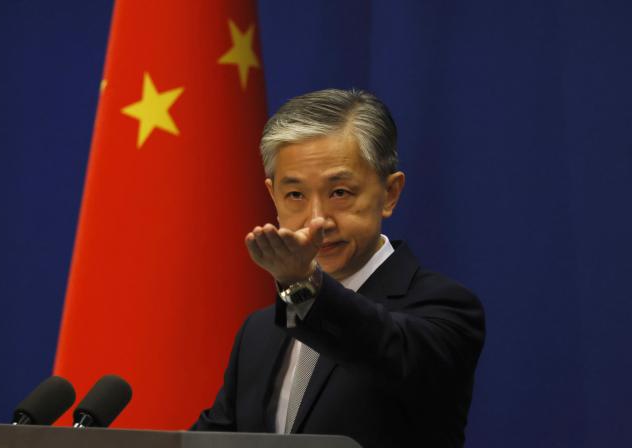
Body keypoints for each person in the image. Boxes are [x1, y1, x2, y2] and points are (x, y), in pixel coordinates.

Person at [192, 89, 485, 448]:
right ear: (273, 198)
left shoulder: (446, 308)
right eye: (296, 195)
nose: (318, 220)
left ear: (390, 193)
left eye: (340, 193)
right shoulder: (257, 333)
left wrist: (303, 284)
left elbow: (382, 347)